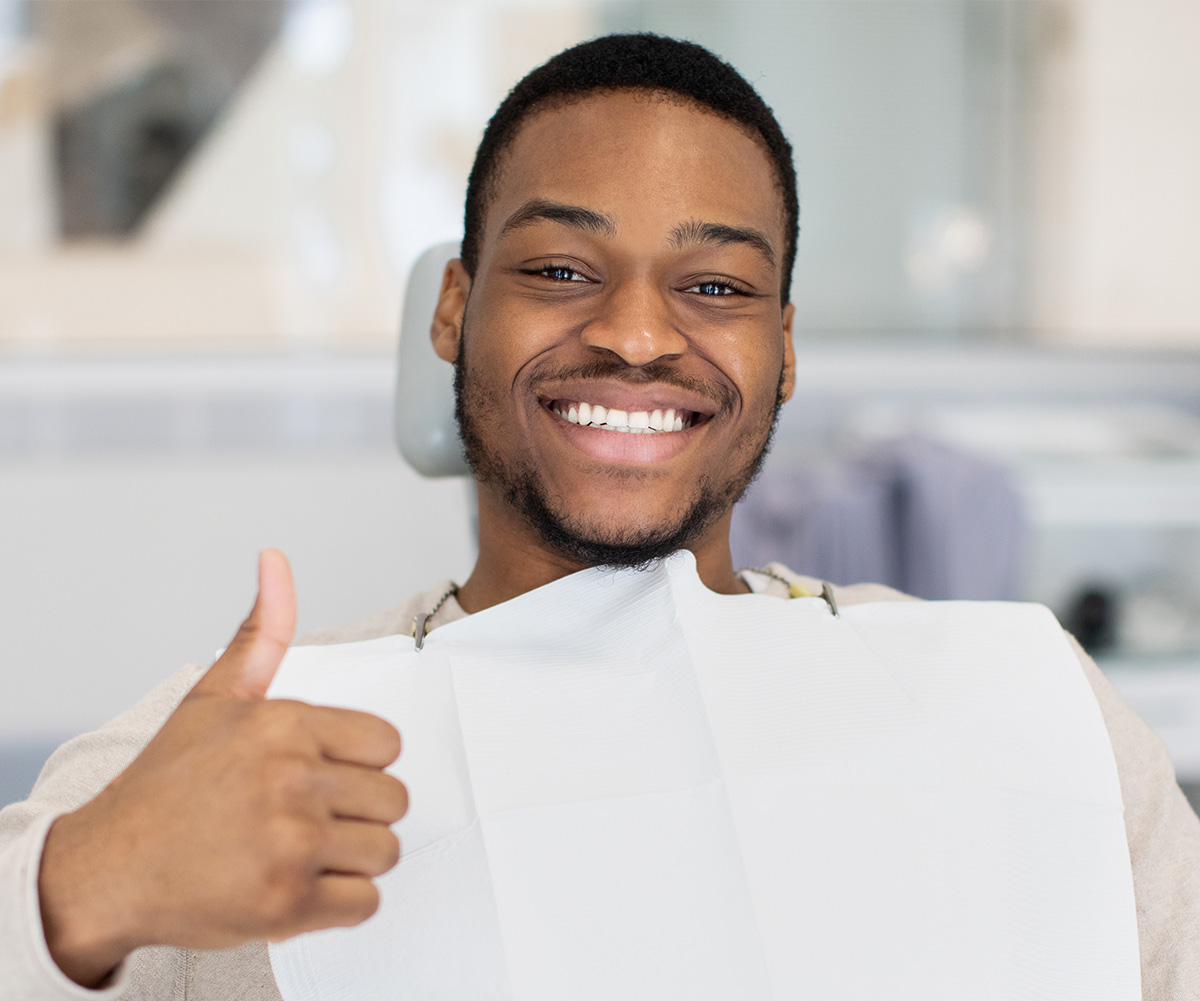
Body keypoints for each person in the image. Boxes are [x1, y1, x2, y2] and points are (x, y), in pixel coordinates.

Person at [2, 33, 1198, 1000]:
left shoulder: (1023, 709)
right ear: (454, 309)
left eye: (716, 287)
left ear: (783, 352)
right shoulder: (253, 740)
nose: (635, 334)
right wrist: (88, 883)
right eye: (562, 270)